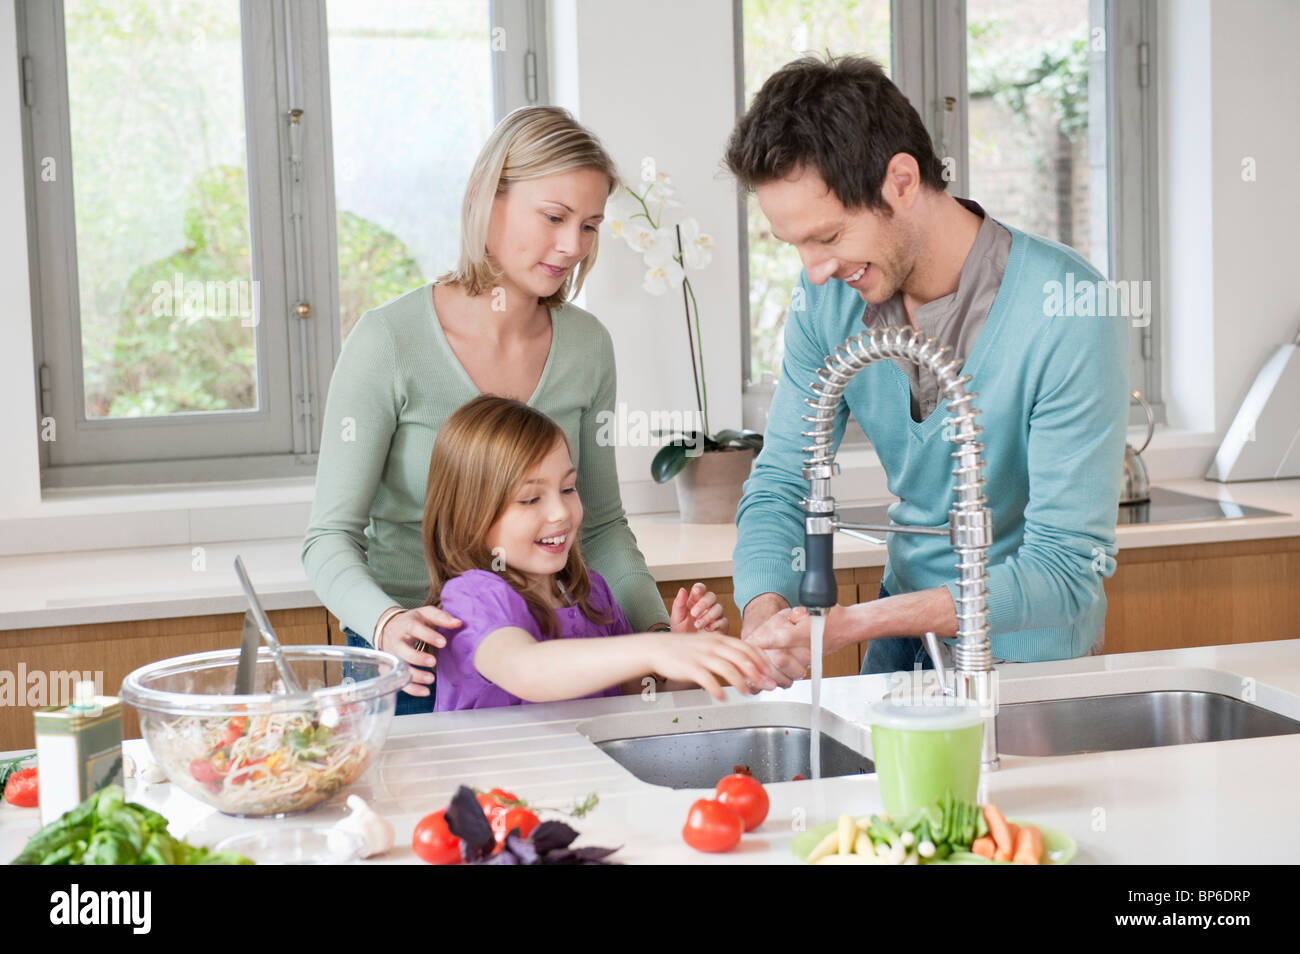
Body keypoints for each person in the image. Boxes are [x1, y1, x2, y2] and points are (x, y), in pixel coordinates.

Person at [724, 55, 1128, 681]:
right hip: (901, 639)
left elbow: (1065, 569)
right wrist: (764, 613)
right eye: (794, 244)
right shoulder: (826, 305)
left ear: (902, 181)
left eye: (828, 237)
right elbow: (782, 482)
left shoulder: (1069, 308)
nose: (813, 270)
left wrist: (852, 624)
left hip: (1031, 659)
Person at [302, 106, 675, 714]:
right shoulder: (388, 342)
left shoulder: (587, 346)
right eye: (554, 217)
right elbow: (328, 538)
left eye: (589, 226)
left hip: (549, 651)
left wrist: (661, 637)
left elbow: (602, 525)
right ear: (484, 198)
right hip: (413, 662)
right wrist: (386, 621)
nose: (571, 246)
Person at [423, 395, 779, 710]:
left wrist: (684, 656)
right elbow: (526, 668)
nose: (560, 512)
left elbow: (639, 699)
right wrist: (656, 649)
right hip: (501, 787)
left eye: (567, 488)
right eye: (531, 498)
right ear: (471, 518)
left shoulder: (590, 592)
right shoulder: (470, 597)